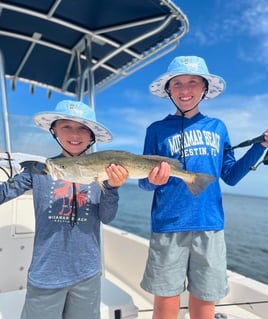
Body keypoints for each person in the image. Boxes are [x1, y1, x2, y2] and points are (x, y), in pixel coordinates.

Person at [138, 56, 268, 319]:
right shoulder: (156, 130)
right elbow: (143, 181)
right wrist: (154, 179)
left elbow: (230, 175)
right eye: (177, 84)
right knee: (165, 301)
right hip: (168, 226)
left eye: (193, 82)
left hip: (210, 225)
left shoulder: (218, 128)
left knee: (205, 302)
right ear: (168, 90)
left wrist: (260, 147)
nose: (185, 90)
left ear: (204, 89)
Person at [0, 100, 128, 319]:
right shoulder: (39, 168)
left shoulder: (104, 171)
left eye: (82, 128)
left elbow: (107, 217)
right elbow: (4, 193)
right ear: (55, 130)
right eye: (66, 126)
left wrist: (113, 188)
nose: (75, 134)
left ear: (91, 136)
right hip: (46, 274)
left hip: (87, 273)